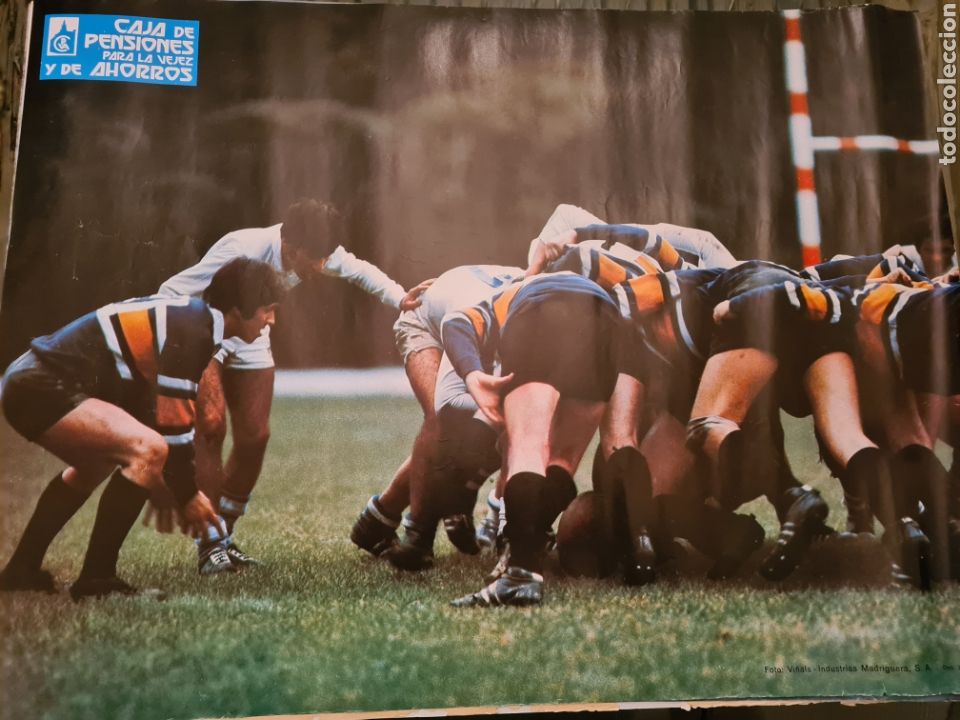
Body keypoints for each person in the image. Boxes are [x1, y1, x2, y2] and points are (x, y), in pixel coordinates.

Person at [156, 199, 431, 574]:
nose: (320, 267)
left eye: (324, 257)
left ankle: (224, 537)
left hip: (251, 331)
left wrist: (401, 298)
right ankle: (210, 544)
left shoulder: (315, 249)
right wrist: (187, 342)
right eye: (314, 258)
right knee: (211, 425)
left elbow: (358, 270)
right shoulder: (241, 250)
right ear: (289, 245)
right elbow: (172, 291)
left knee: (255, 437)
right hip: (203, 328)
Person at [0, 259, 284, 599]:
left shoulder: (195, 320)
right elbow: (174, 431)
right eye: (267, 310)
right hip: (37, 384)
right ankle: (96, 581)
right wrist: (187, 495)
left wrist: (166, 480)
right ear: (241, 308)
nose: (271, 321)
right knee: (146, 450)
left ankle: (22, 569)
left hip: (31, 380)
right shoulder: (196, 329)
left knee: (101, 462)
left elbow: (162, 416)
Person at [442, 272, 623, 607]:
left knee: (529, 443)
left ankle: (519, 575)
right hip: (607, 318)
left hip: (543, 310)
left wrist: (471, 373)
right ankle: (523, 553)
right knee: (563, 460)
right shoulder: (581, 278)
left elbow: (455, 323)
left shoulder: (501, 297)